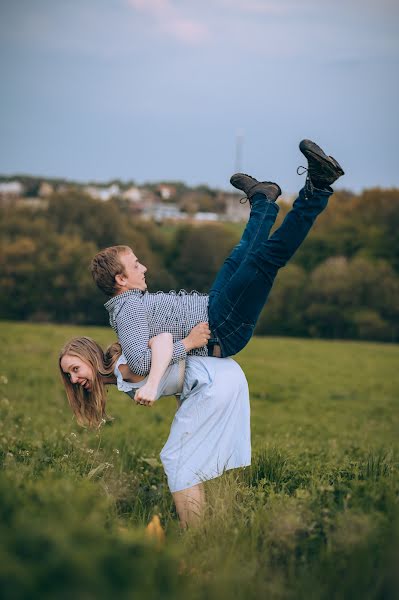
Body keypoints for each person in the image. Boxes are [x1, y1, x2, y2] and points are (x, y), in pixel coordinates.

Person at [90, 139, 344, 376]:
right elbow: (141, 362)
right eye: (135, 265)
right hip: (220, 330)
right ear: (121, 279)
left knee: (238, 258)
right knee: (264, 259)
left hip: (214, 309)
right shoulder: (126, 311)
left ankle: (263, 201)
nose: (143, 267)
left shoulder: (131, 303)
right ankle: (318, 187)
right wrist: (188, 344)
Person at [59, 333, 250, 528]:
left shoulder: (124, 366)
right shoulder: (118, 374)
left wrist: (152, 385)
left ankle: (193, 534)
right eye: (68, 375)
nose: (73, 379)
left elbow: (163, 340)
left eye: (75, 369)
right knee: (186, 460)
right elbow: (176, 374)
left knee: (177, 458)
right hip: (214, 379)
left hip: (215, 381)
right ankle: (200, 527)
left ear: (90, 358)